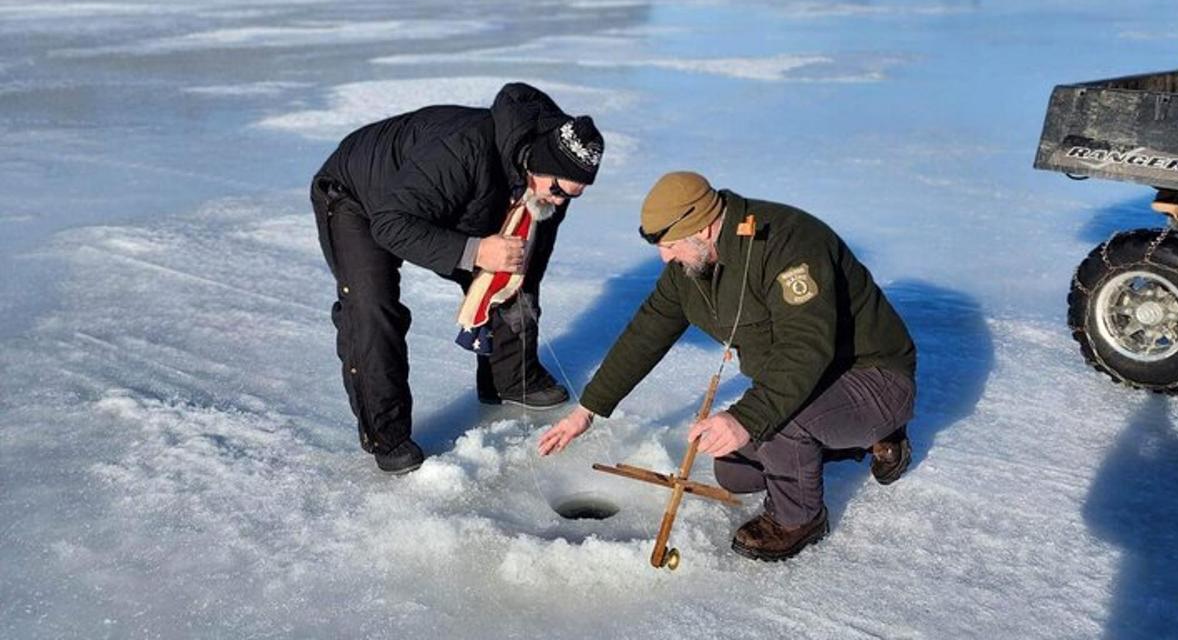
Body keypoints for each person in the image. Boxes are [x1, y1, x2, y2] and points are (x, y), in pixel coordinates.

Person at [539, 171, 915, 562]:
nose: (664, 257)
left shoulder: (788, 244)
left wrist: (746, 418)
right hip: (805, 384)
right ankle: (838, 439)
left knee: (779, 423)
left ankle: (800, 518)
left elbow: (805, 348)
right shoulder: (691, 269)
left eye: (668, 245)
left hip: (872, 377)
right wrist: (588, 410)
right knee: (734, 471)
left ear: (701, 228)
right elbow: (645, 333)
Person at [312, 82, 603, 475]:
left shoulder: (546, 186)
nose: (561, 201)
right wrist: (476, 251)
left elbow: (525, 273)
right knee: (373, 308)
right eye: (557, 189)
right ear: (536, 161)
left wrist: (498, 267)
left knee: (513, 275)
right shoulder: (463, 151)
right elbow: (390, 225)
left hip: (447, 205)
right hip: (358, 200)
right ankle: (387, 434)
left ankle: (510, 378)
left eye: (574, 195)